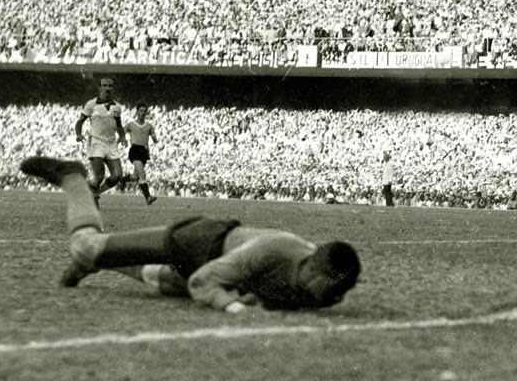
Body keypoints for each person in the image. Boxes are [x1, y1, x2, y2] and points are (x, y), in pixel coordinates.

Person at [19, 156, 361, 313]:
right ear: (314, 267)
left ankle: (102, 263)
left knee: (165, 283)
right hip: (198, 241)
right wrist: (233, 308)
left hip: (221, 261)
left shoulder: (325, 287)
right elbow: (201, 282)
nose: (337, 296)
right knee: (86, 247)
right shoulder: (273, 250)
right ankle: (74, 177)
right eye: (333, 285)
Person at [74, 77, 127, 205]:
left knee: (118, 175)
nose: (108, 88)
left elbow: (119, 125)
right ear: (99, 87)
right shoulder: (91, 104)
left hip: (111, 143)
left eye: (110, 86)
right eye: (105, 85)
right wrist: (78, 134)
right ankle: (91, 194)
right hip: (96, 142)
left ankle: (94, 193)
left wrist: (123, 137)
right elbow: (80, 121)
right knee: (99, 176)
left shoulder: (117, 107)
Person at [122, 102, 159, 205]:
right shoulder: (131, 124)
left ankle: (121, 180)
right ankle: (148, 197)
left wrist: (156, 140)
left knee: (135, 176)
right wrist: (122, 140)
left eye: (145, 111)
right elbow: (122, 133)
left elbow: (154, 138)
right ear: (137, 112)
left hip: (144, 151)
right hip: (135, 150)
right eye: (141, 111)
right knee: (142, 174)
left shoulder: (149, 126)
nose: (143, 113)